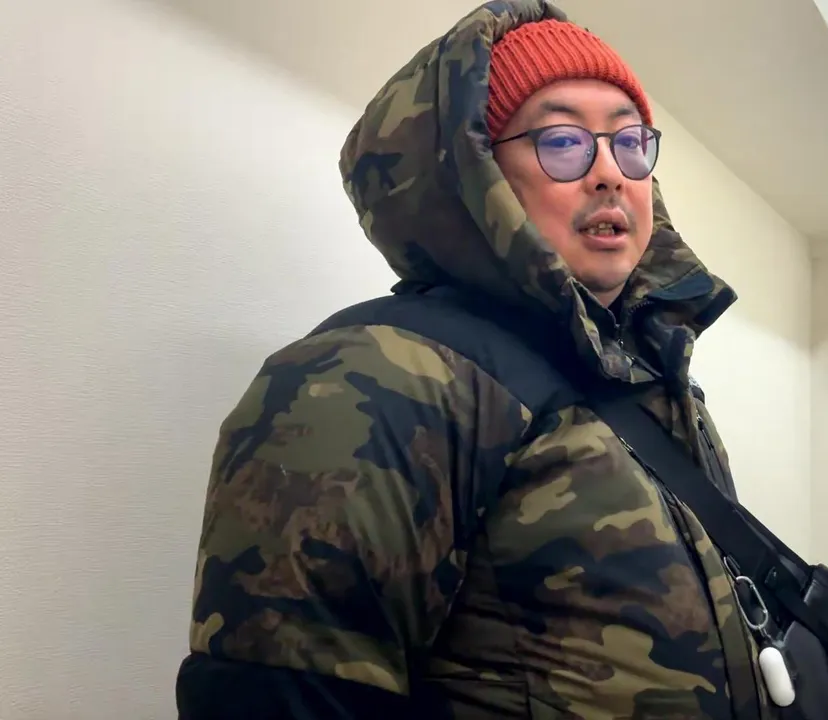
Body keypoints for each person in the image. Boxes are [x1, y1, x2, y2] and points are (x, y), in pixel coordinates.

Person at [175, 1, 772, 718]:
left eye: (630, 141)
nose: (610, 174)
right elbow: (281, 695)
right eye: (562, 141)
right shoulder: (373, 378)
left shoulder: (655, 381)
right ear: (474, 172)